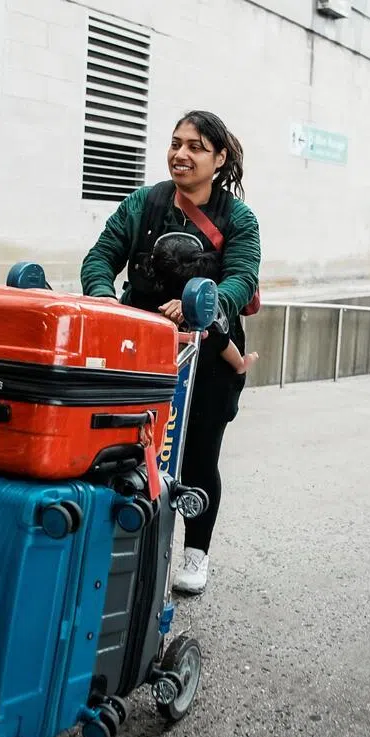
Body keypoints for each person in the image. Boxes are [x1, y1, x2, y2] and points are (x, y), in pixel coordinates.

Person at [80, 110, 262, 594]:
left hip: (208, 352)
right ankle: (128, 544)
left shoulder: (239, 219)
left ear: (219, 158)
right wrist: (103, 300)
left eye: (196, 147)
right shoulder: (144, 202)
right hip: (141, 348)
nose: (180, 154)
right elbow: (100, 257)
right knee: (128, 450)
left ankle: (196, 554)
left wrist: (203, 304)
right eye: (176, 143)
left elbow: (241, 279)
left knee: (199, 456)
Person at [151, 233, 259, 375]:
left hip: (164, 371)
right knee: (220, 338)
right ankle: (240, 363)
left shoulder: (159, 308)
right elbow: (224, 342)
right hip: (205, 364)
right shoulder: (206, 319)